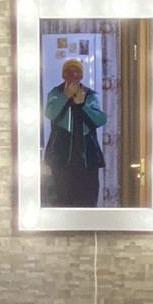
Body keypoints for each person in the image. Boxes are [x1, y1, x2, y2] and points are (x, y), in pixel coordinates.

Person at [43, 57, 106, 206]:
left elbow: (100, 120)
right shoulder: (56, 93)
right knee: (62, 201)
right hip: (60, 157)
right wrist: (65, 96)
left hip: (88, 158)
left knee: (88, 201)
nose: (73, 75)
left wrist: (82, 104)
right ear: (63, 75)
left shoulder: (90, 95)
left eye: (76, 71)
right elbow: (50, 113)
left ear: (81, 75)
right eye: (69, 71)